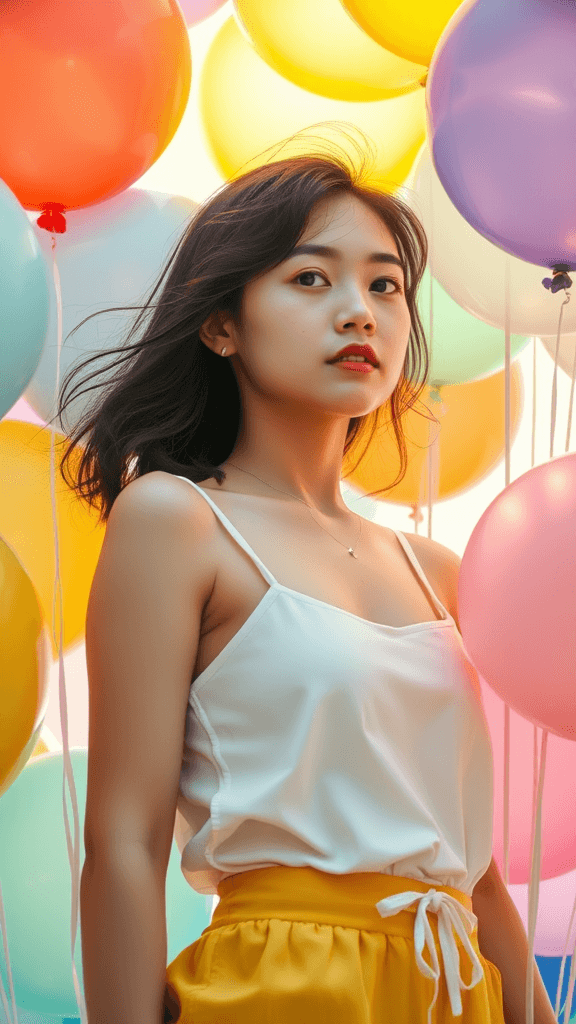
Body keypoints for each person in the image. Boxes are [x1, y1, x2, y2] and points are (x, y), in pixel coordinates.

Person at [60, 136, 505, 1023]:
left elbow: (473, 865)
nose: (360, 312)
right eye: (311, 279)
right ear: (221, 324)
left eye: (385, 285)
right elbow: (125, 837)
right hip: (281, 987)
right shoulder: (177, 520)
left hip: (453, 987)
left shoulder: (441, 573)